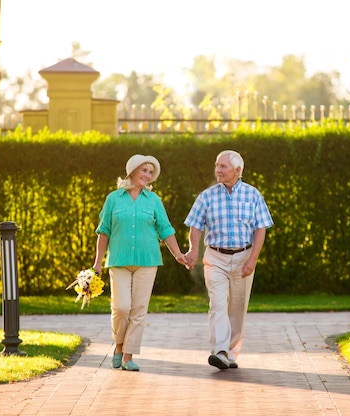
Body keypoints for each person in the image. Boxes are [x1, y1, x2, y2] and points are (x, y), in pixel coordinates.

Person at [93, 154, 187, 372]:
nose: (147, 175)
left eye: (150, 172)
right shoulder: (113, 198)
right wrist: (97, 263)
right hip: (118, 260)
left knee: (138, 309)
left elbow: (165, 229)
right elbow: (103, 231)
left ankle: (128, 355)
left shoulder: (154, 201)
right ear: (132, 171)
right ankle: (118, 346)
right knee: (121, 307)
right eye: (144, 170)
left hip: (147, 261)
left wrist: (178, 254)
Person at [184, 150, 273, 369]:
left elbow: (260, 229)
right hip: (215, 257)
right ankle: (219, 351)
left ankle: (231, 352)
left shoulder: (253, 195)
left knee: (238, 308)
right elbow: (195, 226)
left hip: (243, 256)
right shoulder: (206, 196)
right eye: (216, 165)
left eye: (223, 166)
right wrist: (193, 250)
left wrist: (252, 259)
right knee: (217, 305)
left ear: (238, 170)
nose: (217, 170)